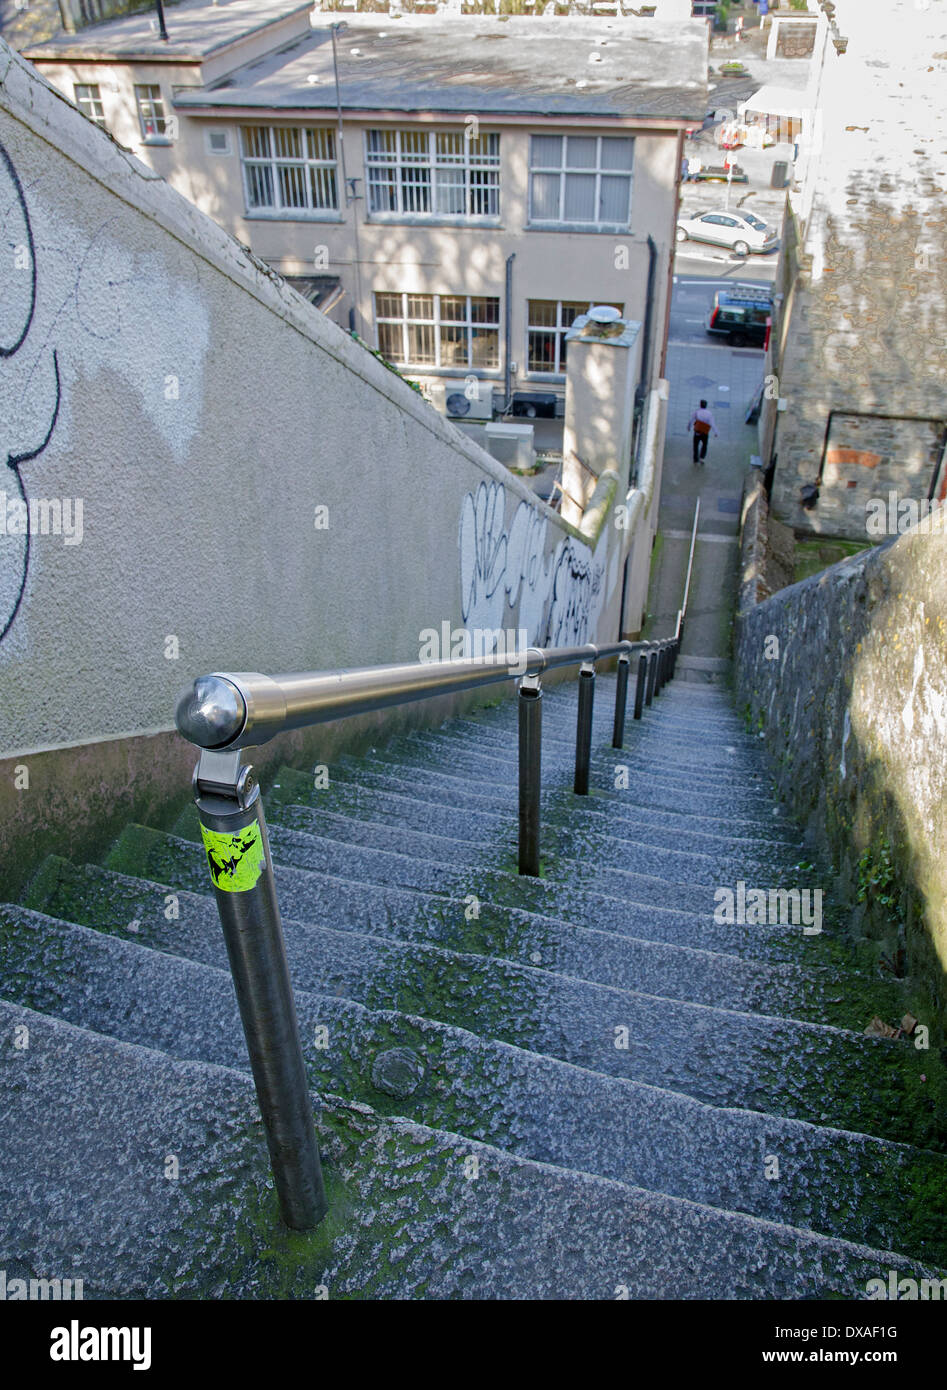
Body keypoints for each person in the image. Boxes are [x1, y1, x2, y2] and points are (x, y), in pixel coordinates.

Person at [687, 399, 719, 465]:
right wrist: (716, 432)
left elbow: (691, 420)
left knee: (695, 445)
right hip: (705, 432)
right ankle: (702, 457)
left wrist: (689, 427)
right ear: (706, 406)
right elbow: (712, 423)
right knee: (704, 445)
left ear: (700, 405)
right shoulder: (709, 413)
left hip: (697, 432)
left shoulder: (697, 412)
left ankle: (696, 459)